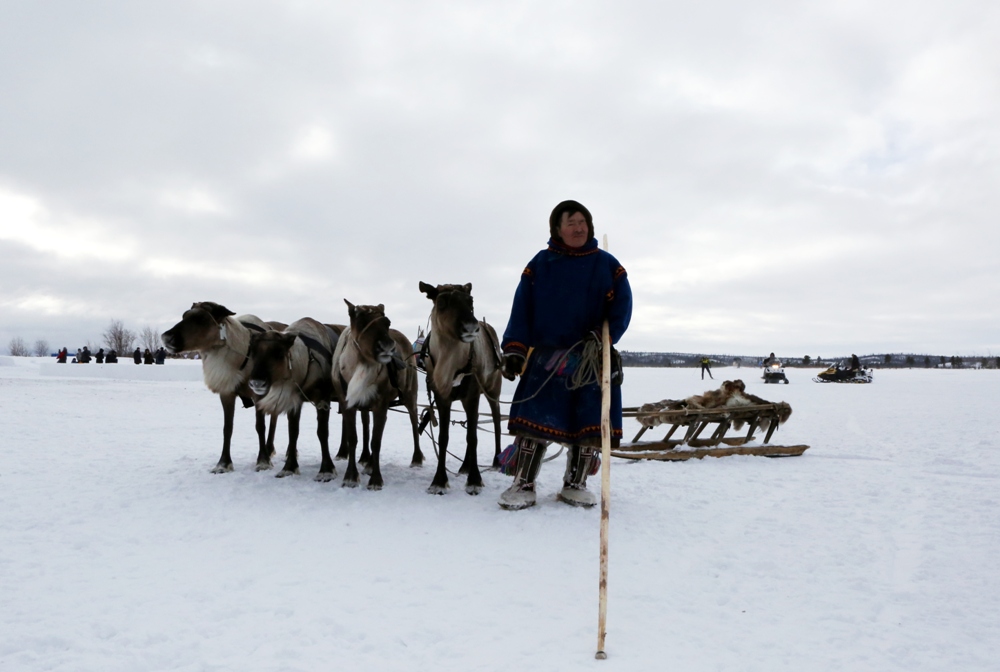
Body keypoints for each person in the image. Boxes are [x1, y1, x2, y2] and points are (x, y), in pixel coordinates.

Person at [498, 200, 632, 510]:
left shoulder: (608, 266)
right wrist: (515, 349)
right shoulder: (540, 264)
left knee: (589, 423)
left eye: (583, 222)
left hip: (591, 357)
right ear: (557, 229)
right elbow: (522, 308)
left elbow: (621, 308)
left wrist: (603, 337)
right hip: (546, 357)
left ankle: (576, 483)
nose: (578, 227)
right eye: (570, 222)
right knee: (533, 422)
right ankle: (524, 483)